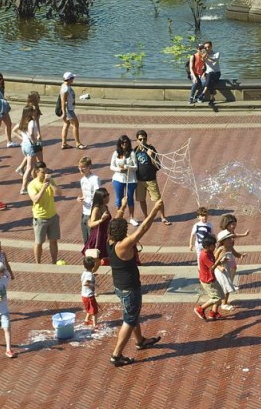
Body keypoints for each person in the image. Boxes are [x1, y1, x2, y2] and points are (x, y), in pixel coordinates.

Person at [107, 200, 164, 367]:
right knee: (129, 320)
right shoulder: (124, 245)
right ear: (122, 232)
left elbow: (114, 222)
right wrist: (155, 210)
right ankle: (116, 355)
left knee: (134, 314)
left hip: (119, 286)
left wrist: (122, 207)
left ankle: (140, 341)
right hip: (130, 289)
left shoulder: (109, 241)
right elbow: (143, 229)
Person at [133, 130, 170, 224]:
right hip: (139, 180)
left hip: (151, 180)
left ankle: (163, 217)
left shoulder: (151, 149)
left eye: (144, 139)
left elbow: (158, 166)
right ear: (137, 140)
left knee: (158, 199)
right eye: (140, 139)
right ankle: (146, 217)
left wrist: (151, 156)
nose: (142, 141)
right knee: (141, 199)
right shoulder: (135, 151)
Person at [27, 160, 60, 263]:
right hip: (40, 218)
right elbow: (35, 199)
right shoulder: (32, 185)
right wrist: (43, 188)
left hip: (53, 216)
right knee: (39, 242)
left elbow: (59, 192)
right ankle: (38, 262)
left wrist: (51, 184)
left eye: (46, 171)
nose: (45, 174)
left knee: (53, 241)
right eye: (42, 172)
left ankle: (54, 262)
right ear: (36, 171)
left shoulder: (51, 180)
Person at [194, 235, 225, 321]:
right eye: (213, 245)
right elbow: (212, 267)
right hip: (207, 280)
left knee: (221, 294)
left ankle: (213, 313)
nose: (214, 247)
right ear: (207, 246)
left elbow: (213, 261)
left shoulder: (210, 252)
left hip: (212, 278)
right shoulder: (204, 255)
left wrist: (221, 261)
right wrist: (220, 259)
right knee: (216, 297)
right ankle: (200, 309)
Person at [110, 135, 138, 225]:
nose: (124, 144)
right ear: (119, 143)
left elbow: (136, 167)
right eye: (122, 142)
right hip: (118, 178)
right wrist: (119, 169)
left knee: (130, 198)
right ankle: (119, 217)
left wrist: (127, 167)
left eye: (126, 142)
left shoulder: (132, 153)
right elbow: (111, 166)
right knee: (119, 199)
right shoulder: (116, 153)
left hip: (130, 179)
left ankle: (131, 218)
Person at [77, 156, 102, 244]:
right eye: (79, 167)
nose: (81, 169)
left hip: (92, 212)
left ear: (89, 167)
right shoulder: (82, 180)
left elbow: (97, 195)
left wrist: (95, 212)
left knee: (92, 239)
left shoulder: (95, 179)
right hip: (84, 212)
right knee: (86, 239)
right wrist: (80, 198)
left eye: (83, 167)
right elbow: (84, 194)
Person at [59, 71, 85, 149]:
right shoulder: (66, 89)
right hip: (69, 110)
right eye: (73, 78)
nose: (73, 79)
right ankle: (78, 143)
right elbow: (63, 101)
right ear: (69, 79)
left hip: (68, 109)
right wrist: (64, 113)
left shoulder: (64, 86)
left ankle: (64, 143)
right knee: (76, 124)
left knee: (66, 124)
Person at [197, 40, 221, 106]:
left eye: (209, 47)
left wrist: (207, 56)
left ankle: (203, 93)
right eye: (206, 47)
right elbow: (203, 64)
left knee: (210, 76)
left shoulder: (216, 53)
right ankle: (211, 98)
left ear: (211, 46)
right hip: (208, 73)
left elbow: (214, 61)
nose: (207, 48)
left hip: (216, 73)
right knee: (210, 79)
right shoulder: (204, 55)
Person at [81, 255, 99, 326]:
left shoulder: (85, 273)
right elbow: (86, 283)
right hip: (89, 295)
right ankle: (95, 324)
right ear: (93, 266)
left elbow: (86, 279)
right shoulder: (89, 275)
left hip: (84, 295)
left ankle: (86, 320)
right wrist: (94, 285)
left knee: (89, 308)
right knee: (94, 310)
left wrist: (93, 275)